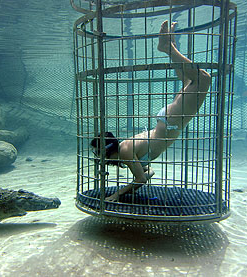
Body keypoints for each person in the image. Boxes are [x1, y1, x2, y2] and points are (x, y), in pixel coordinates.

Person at [91, 20, 212, 201]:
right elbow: (147, 173)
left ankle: (167, 47)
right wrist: (145, 173)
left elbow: (140, 180)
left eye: (97, 153)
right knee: (189, 81)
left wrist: (117, 194)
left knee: (203, 79)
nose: (97, 157)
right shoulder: (125, 153)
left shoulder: (124, 151)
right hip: (169, 123)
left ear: (105, 151)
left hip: (171, 123)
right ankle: (170, 44)